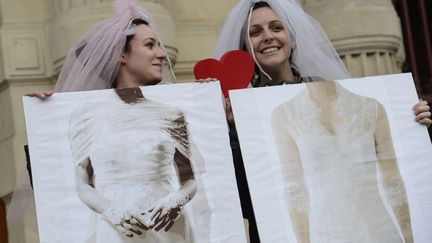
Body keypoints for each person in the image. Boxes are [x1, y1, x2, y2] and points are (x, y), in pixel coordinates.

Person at [208, 0, 431, 242]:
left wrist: (413, 123)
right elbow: (241, 200)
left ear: (291, 40)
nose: (268, 37)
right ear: (244, 47)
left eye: (276, 28)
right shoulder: (240, 111)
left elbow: (396, 170)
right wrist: (232, 133)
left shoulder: (335, 91)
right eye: (255, 32)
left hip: (377, 229)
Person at [14, 0, 211, 242]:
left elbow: (191, 178)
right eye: (150, 45)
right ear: (121, 55)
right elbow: (80, 180)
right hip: (116, 227)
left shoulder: (173, 113)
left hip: (167, 224)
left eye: (159, 45)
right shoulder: (85, 115)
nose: (161, 54)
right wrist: (43, 117)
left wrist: (175, 200)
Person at [271, 80, 413, 242]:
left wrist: (409, 237)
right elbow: (294, 189)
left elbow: (392, 179)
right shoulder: (285, 115)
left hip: (378, 229)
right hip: (326, 231)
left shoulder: (372, 108)